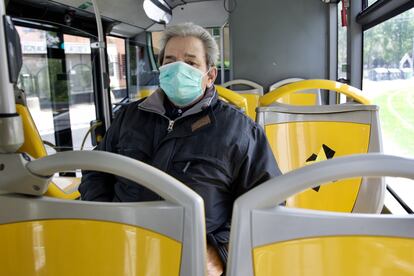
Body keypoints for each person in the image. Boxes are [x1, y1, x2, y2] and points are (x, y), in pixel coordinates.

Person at [79, 22, 281, 275]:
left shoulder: (240, 131)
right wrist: (105, 220)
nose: (178, 69)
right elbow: (95, 171)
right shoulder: (129, 117)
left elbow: (267, 202)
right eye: (170, 60)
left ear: (210, 75)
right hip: (126, 249)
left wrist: (222, 251)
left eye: (190, 62)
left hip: (196, 257)